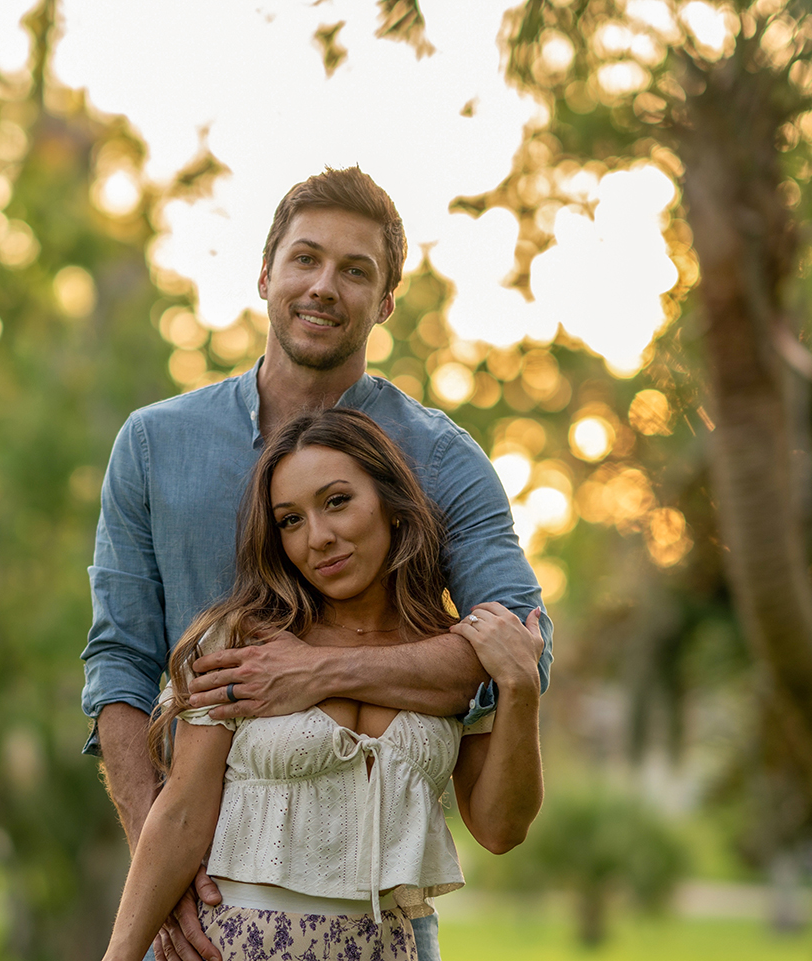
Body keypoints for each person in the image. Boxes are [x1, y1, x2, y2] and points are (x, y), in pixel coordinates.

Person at [82, 166, 553, 961]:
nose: (323, 286)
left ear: (387, 301)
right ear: (266, 274)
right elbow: (121, 664)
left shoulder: (443, 461)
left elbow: (519, 649)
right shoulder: (155, 444)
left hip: (390, 926)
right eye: (305, 259)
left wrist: (316, 670)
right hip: (214, 906)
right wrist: (160, 875)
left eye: (355, 270)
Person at [100, 408, 545, 961]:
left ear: (392, 505)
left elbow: (501, 829)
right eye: (290, 520)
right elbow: (183, 813)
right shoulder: (242, 642)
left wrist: (520, 689)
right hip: (237, 946)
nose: (319, 538)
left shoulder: (450, 658)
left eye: (337, 501)